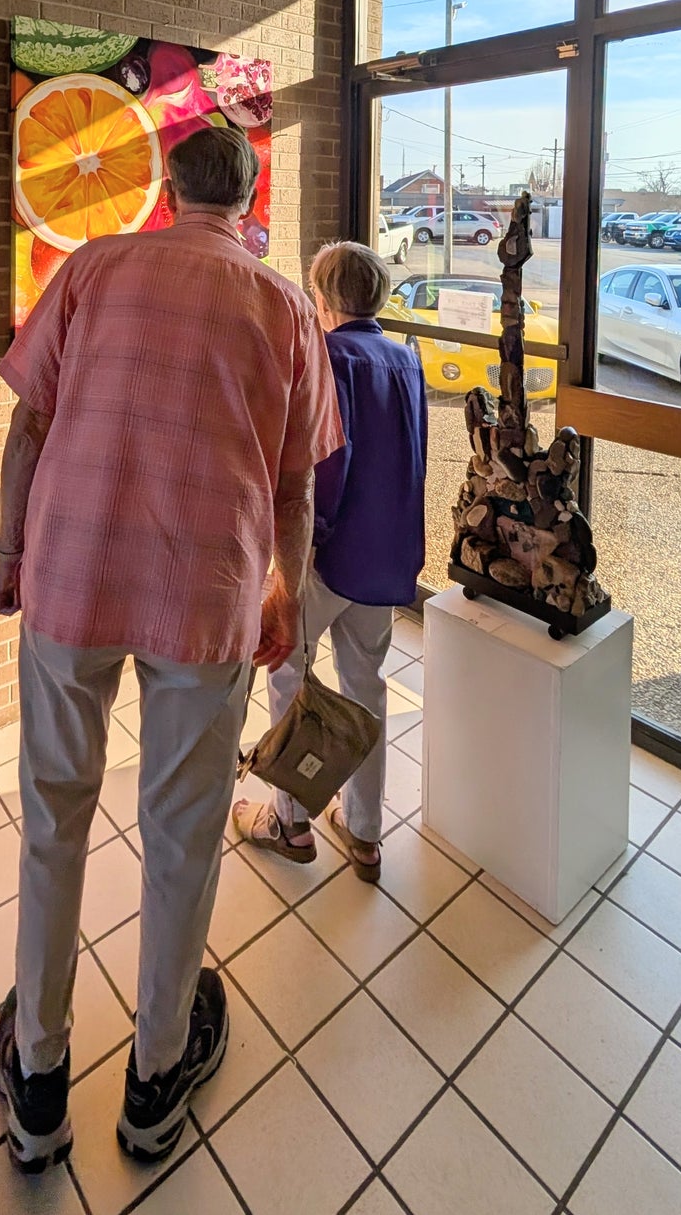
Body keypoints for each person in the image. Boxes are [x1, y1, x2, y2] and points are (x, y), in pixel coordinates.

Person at [0, 124, 342, 1172]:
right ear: (245, 197)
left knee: (54, 810)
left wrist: (10, 545)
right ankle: (154, 1076)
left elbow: (28, 425)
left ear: (165, 186)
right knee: (182, 828)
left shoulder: (91, 267)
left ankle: (38, 1079)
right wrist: (285, 593)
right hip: (207, 588)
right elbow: (293, 483)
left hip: (71, 570)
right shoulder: (282, 304)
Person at [233, 240, 427, 881]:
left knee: (290, 678)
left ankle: (291, 823)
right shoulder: (406, 362)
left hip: (325, 554)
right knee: (366, 690)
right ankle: (366, 833)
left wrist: (296, 557)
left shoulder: (325, 357)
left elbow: (324, 467)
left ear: (321, 298)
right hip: (384, 555)